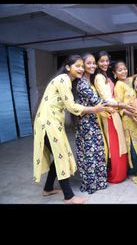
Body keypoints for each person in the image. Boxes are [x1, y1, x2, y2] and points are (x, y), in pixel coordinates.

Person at [33, 55, 108, 204]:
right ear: (68, 67)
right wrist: (95, 109)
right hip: (48, 123)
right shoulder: (63, 80)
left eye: (82, 66)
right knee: (62, 156)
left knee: (58, 155)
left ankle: (47, 189)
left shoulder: (67, 81)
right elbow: (71, 107)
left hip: (51, 122)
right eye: (77, 66)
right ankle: (69, 197)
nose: (81, 69)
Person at [94, 51, 137, 183]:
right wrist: (123, 105)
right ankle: (116, 175)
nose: (105, 63)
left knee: (120, 143)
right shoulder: (99, 78)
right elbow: (107, 99)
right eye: (102, 61)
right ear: (97, 63)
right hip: (110, 113)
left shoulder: (105, 76)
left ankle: (120, 173)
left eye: (107, 61)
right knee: (115, 144)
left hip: (114, 112)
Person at [75, 53, 110, 194]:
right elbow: (98, 102)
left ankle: (98, 182)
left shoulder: (88, 81)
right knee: (90, 155)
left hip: (93, 121)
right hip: (87, 124)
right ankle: (92, 184)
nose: (92, 66)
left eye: (93, 63)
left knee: (97, 152)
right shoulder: (82, 83)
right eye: (88, 63)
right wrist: (122, 106)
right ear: (82, 65)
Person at [113, 61, 137, 176]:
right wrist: (129, 113)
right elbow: (118, 105)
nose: (123, 71)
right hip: (128, 119)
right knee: (133, 144)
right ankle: (136, 168)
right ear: (115, 73)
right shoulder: (119, 85)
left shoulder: (129, 82)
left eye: (124, 69)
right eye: (119, 70)